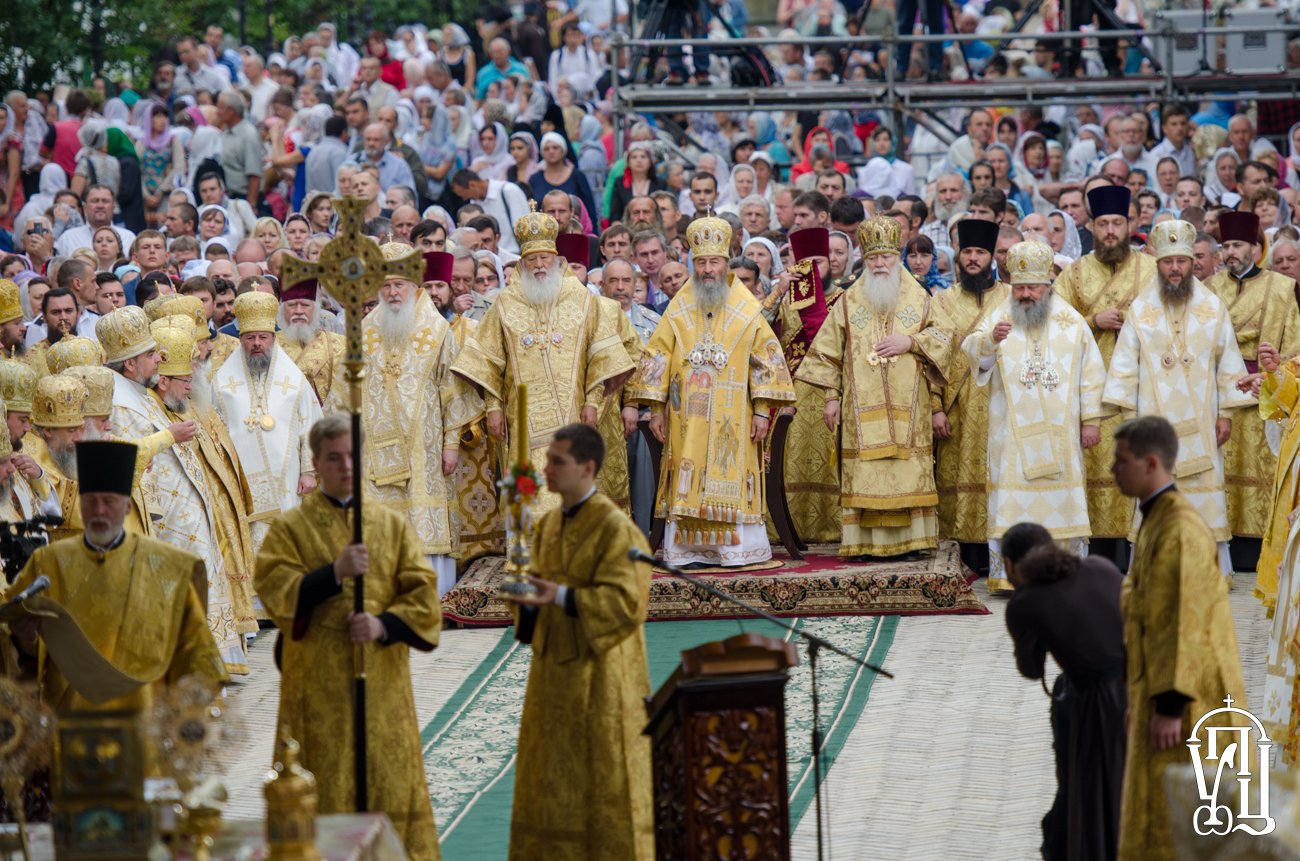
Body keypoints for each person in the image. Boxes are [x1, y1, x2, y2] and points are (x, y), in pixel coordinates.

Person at [255, 414, 442, 859]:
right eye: (334, 458)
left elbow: (423, 595)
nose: (346, 467)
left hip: (381, 681)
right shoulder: (291, 528)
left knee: (387, 780)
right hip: (318, 685)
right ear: (316, 462)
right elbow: (274, 586)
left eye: (352, 456)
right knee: (324, 780)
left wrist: (382, 625)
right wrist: (333, 574)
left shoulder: (390, 525)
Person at [507, 423, 653, 860]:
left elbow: (628, 603)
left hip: (602, 682)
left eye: (557, 461)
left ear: (587, 468)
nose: (546, 469)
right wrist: (527, 601)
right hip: (552, 680)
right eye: (548, 459)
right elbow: (536, 593)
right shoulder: (547, 524)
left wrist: (563, 596)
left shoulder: (616, 530)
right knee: (552, 781)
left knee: (604, 781)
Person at [4, 440, 227, 717]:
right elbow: (25, 647)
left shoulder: (170, 568)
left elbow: (197, 652)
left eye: (109, 502)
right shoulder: (47, 563)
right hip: (70, 721)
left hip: (146, 722)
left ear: (127, 508)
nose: (98, 511)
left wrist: (190, 723)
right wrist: (27, 638)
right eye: (90, 501)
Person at [1110, 416, 1246, 860]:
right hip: (1164, 689)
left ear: (1151, 463)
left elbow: (1184, 619)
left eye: (1121, 460)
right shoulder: (1157, 517)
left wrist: (1169, 705)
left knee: (1186, 824)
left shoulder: (1180, 529)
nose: (1113, 469)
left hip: (1192, 702)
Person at [629, 213, 796, 566]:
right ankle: (689, 550)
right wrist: (655, 409)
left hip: (735, 415)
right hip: (684, 415)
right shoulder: (679, 306)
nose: (708, 269)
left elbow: (765, 359)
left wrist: (764, 410)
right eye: (701, 262)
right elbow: (658, 353)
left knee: (728, 467)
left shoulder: (746, 306)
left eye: (714, 262)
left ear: (726, 261)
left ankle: (735, 550)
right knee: (688, 472)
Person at [451, 206, 634, 515]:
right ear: (522, 262)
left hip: (573, 413)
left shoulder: (583, 301)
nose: (538, 265)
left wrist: (593, 401)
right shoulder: (505, 303)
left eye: (544, 258)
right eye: (531, 259)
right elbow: (488, 361)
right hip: (522, 419)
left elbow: (601, 357)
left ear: (555, 259)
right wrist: (494, 409)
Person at [1102, 220, 1254, 575]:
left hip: (1203, 421)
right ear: (1158, 265)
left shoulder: (1212, 307)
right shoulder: (1141, 309)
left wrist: (1226, 414)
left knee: (1203, 494)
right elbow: (1124, 363)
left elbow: (1228, 360)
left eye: (1181, 262)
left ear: (1192, 263)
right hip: (1153, 422)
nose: (1175, 269)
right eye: (1167, 262)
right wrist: (1128, 420)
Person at [796, 216, 951, 560]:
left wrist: (910, 342)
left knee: (907, 472)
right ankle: (866, 544)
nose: (880, 265)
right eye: (872, 259)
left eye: (886, 258)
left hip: (910, 409)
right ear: (863, 260)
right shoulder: (849, 302)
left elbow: (945, 337)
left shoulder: (921, 299)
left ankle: (913, 542)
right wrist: (832, 398)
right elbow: (828, 352)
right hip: (858, 409)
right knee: (866, 473)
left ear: (898, 258)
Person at [334, 243, 480, 595]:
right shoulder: (362, 333)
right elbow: (342, 394)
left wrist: (450, 446)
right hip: (373, 454)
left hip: (425, 450)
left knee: (423, 520)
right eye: (385, 285)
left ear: (414, 285)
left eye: (399, 284)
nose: (392, 292)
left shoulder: (437, 331)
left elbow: (454, 391)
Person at [963, 240, 1108, 593]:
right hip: (1011, 436)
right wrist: (989, 342)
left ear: (1048, 285)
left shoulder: (1072, 322)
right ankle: (1011, 575)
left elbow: (1092, 374)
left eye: (1033, 287)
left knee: (1061, 505)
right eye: (1020, 287)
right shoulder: (1001, 315)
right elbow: (973, 350)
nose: (1025, 294)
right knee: (1012, 504)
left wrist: (1091, 421)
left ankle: (1064, 570)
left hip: (1061, 436)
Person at [1001, 523, 1126, 861]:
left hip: (1101, 703)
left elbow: (1030, 669)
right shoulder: (1100, 565)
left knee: (1089, 790)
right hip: (1145, 684)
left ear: (1011, 566)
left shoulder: (1023, 603)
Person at [1052, 186, 1157, 565]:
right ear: (1091, 227)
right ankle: (1093, 557)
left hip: (1141, 390)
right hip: (1090, 394)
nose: (1110, 230)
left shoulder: (1151, 270)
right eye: (1103, 224)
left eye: (1117, 222)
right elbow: (1053, 327)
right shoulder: (1074, 275)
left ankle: (1140, 553)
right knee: (1097, 469)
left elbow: (1174, 323)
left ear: (1130, 224)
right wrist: (1091, 321)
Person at [150, 314, 255, 672]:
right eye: (186, 374)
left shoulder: (188, 401)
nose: (193, 377)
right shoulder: (153, 408)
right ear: (163, 381)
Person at [1205, 211, 1300, 574]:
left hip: (1264, 394)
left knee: (1260, 471)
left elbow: (1293, 344)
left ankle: (1260, 554)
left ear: (1255, 248)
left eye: (1238, 245)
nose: (1231, 252)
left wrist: (1268, 375)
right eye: (1226, 245)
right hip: (1219, 395)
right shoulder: (1210, 289)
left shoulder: (1281, 287)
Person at [929, 219, 1011, 575]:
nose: (973, 259)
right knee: (955, 484)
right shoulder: (942, 302)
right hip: (957, 408)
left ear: (992, 257)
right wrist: (935, 408)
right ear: (959, 257)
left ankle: (997, 561)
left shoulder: (1009, 297)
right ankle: (959, 564)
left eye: (980, 252)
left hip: (1000, 406)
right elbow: (933, 357)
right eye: (968, 252)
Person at [212, 291, 323, 549]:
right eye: (250, 338)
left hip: (288, 477)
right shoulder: (221, 383)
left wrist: (308, 471)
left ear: (274, 339)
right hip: (241, 479)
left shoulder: (294, 380)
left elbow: (312, 425)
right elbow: (214, 432)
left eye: (263, 337)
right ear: (241, 340)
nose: (257, 343)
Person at [770, 226, 843, 543]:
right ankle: (788, 527)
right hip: (792, 398)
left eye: (820, 262)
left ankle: (833, 527)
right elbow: (755, 331)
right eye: (806, 263)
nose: (812, 270)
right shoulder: (784, 301)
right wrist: (778, 292)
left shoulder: (845, 300)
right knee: (789, 462)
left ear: (832, 264)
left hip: (831, 395)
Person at [276, 279, 345, 405]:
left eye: (305, 305)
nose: (298, 311)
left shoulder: (339, 344)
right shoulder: (270, 346)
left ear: (316, 309)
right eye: (291, 305)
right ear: (282, 310)